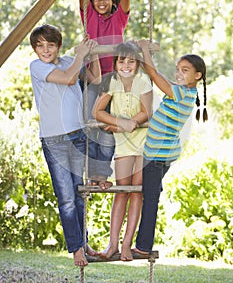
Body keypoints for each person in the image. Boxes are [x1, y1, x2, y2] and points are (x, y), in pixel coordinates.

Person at [29, 24, 101, 267]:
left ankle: (83, 242)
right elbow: (70, 79)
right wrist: (80, 54)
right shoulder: (37, 66)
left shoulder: (69, 60)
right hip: (54, 139)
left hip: (77, 135)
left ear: (58, 46)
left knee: (79, 195)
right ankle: (76, 250)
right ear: (35, 49)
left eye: (50, 45)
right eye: (40, 46)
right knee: (67, 198)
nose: (46, 50)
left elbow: (96, 79)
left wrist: (93, 55)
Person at [133, 39, 208, 255]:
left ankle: (143, 247)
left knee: (150, 201)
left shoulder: (183, 93)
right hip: (161, 155)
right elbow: (152, 75)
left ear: (197, 76)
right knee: (149, 195)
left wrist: (145, 51)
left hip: (156, 157)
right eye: (177, 69)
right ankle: (143, 242)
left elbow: (155, 76)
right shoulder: (183, 93)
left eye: (185, 70)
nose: (178, 74)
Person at [78, 0, 135, 188]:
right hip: (93, 78)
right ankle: (94, 175)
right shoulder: (88, 15)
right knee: (92, 126)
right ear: (91, 2)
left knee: (110, 128)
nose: (101, 2)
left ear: (112, 1)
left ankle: (101, 175)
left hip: (114, 81)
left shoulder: (119, 17)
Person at [92, 42, 153, 261]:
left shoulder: (143, 81)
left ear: (137, 64)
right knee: (121, 191)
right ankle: (112, 245)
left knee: (137, 191)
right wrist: (119, 123)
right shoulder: (112, 81)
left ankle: (127, 244)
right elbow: (97, 111)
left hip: (145, 141)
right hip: (124, 144)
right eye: (121, 60)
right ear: (116, 63)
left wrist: (130, 123)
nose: (126, 65)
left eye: (131, 61)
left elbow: (146, 112)